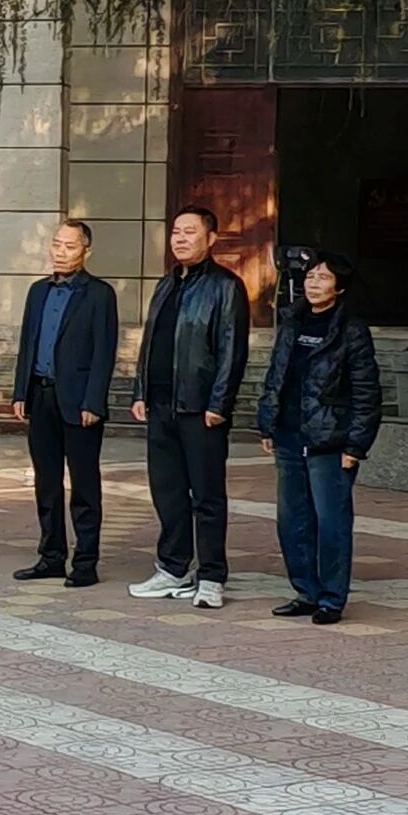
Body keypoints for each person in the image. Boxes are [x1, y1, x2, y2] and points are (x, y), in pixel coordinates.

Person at [128, 205, 248, 609]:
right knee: (168, 491)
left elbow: (233, 351)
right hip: (161, 405)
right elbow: (149, 344)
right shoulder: (166, 284)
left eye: (190, 232)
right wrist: (140, 391)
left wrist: (220, 403)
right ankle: (173, 567)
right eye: (176, 231)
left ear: (210, 239)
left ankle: (212, 575)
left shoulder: (225, 287)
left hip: (201, 409)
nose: (180, 238)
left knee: (208, 495)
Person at [256, 251, 383, 625]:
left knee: (331, 522)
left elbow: (366, 392)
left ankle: (331, 597)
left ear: (339, 287)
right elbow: (276, 375)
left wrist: (356, 445)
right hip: (289, 435)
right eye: (311, 276)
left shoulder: (351, 331)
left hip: (330, 440)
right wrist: (268, 422)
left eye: (323, 278)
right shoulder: (292, 322)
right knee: (291, 519)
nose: (314, 283)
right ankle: (305, 591)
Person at [0, 218, 120, 587]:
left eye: (70, 246)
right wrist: (20, 391)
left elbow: (104, 352)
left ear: (86, 251)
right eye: (56, 244)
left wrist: (94, 401)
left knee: (84, 485)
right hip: (41, 396)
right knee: (46, 483)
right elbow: (28, 344)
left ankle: (85, 561)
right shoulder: (38, 291)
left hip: (79, 402)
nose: (61, 252)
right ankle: (51, 555)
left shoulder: (99, 294)